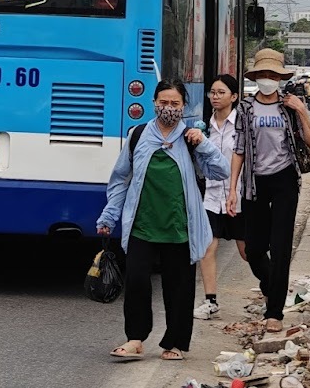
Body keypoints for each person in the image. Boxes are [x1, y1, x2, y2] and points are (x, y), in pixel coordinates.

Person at [97, 79, 229, 362]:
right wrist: (109, 214)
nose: (169, 108)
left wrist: (204, 144)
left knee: (179, 287)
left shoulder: (191, 139)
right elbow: (121, 178)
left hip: (179, 226)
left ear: (184, 107)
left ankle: (176, 342)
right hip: (142, 224)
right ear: (154, 103)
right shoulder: (138, 134)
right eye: (164, 102)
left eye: (175, 103)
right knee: (136, 281)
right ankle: (135, 339)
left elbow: (222, 171)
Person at [226, 48, 310, 332]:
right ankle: (271, 284)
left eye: (273, 75)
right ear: (256, 77)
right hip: (254, 184)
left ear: (280, 78)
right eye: (263, 74)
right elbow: (239, 150)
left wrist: (302, 110)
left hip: (285, 182)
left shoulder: (289, 107)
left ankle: (274, 312)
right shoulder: (245, 109)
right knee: (253, 249)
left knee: (280, 248)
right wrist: (232, 189)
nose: (268, 79)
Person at [193, 73, 247, 320]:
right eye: (212, 92)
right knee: (207, 248)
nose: (215, 97)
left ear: (234, 97)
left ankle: (270, 295)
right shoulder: (204, 127)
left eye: (221, 92)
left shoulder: (243, 125)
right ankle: (210, 301)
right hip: (213, 197)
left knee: (248, 251)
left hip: (239, 197)